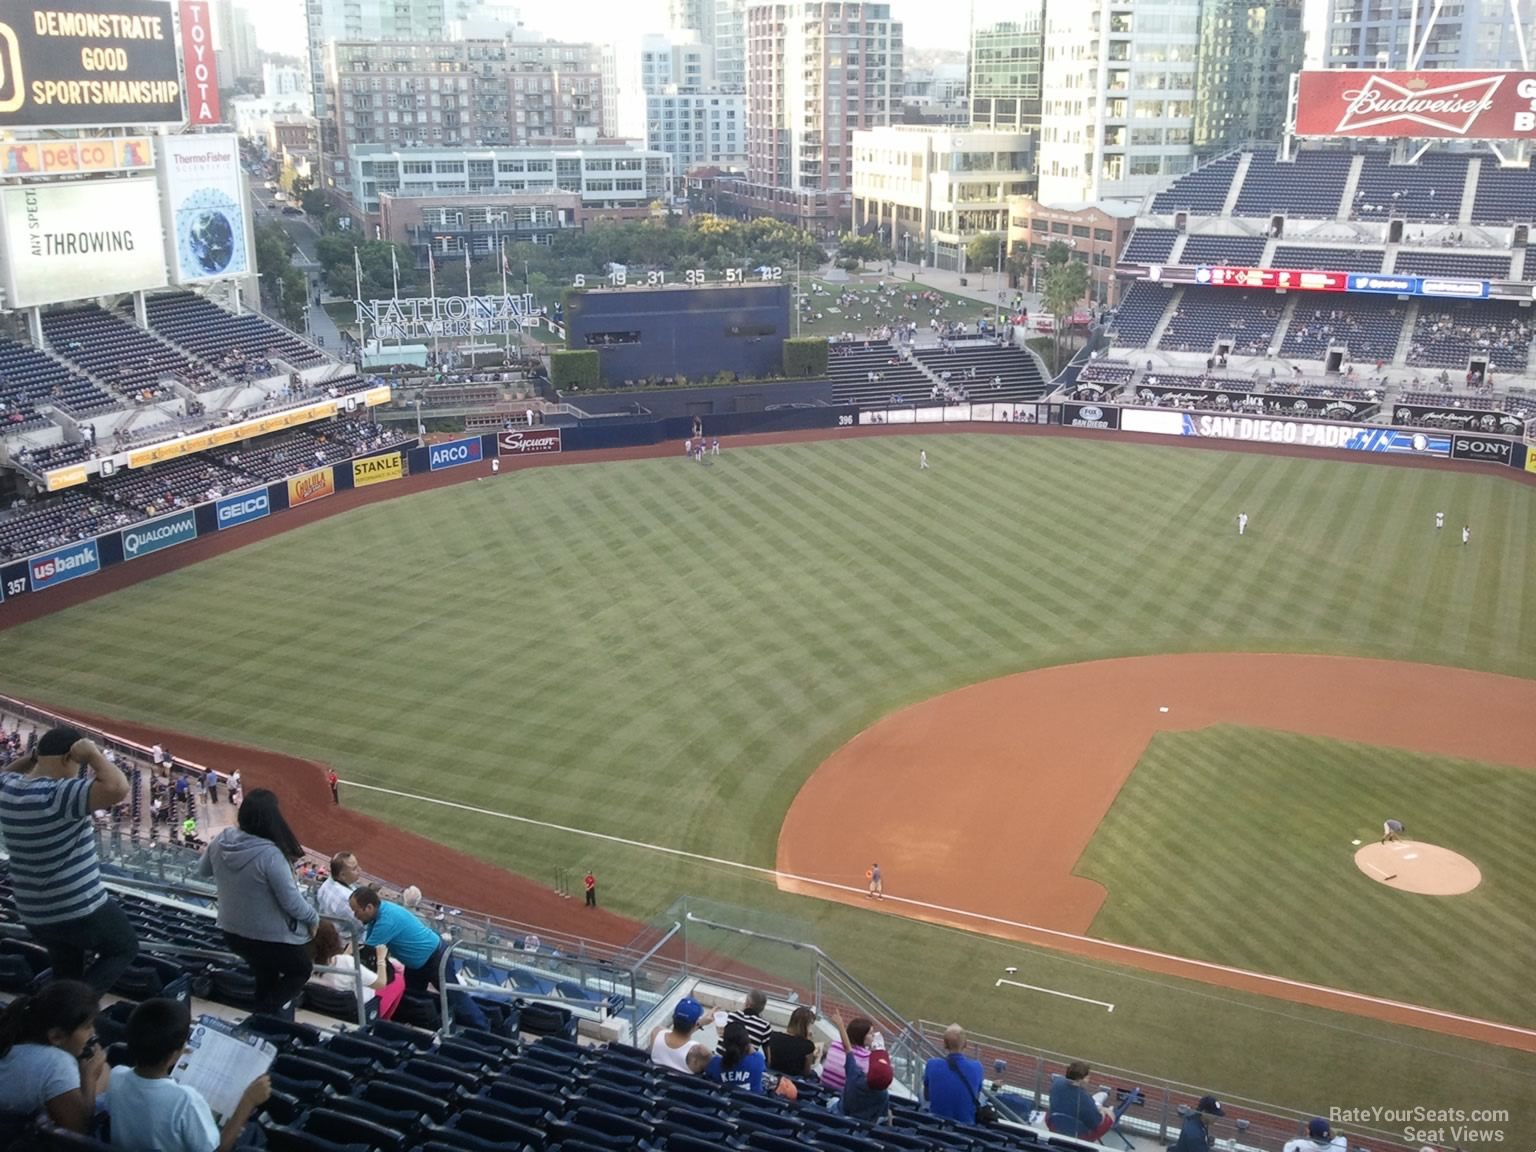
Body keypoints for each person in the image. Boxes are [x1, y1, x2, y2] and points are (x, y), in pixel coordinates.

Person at [0, 726, 137, 994]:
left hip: (33, 911)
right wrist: (94, 756)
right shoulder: (60, 794)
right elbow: (118, 787)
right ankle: (73, 1013)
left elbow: (6, 774)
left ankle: (58, 1017)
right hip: (77, 906)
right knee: (124, 948)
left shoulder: (7, 789)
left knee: (68, 971)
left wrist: (32, 759)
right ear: (67, 759)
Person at [195, 789, 319, 1015]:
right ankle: (262, 1017)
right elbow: (292, 903)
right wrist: (313, 917)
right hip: (267, 938)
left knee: (266, 972)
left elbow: (203, 870)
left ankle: (261, 1021)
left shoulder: (221, 839)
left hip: (232, 933)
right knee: (301, 969)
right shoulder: (271, 855)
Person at [107, 997, 270, 1152]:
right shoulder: (186, 1100)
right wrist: (248, 1102)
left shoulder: (116, 1076)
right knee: (252, 1132)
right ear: (173, 1054)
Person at [349, 886, 488, 1030]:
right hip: (418, 962)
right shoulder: (378, 915)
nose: (355, 916)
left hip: (435, 958)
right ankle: (421, 1025)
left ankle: (484, 1028)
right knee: (410, 996)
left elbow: (367, 952)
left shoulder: (386, 921)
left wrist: (346, 956)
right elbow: (367, 947)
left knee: (455, 997)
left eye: (356, 911)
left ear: (369, 907)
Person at [0, 980, 105, 1133]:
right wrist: (89, 1078)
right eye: (87, 1027)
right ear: (56, 1036)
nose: (92, 1033)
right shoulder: (56, 1063)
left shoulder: (11, 1041)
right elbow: (78, 1130)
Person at [309, 919, 405, 1020]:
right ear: (333, 939)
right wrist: (381, 960)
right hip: (353, 1013)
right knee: (398, 980)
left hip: (319, 1006)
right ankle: (384, 1021)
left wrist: (345, 954)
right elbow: (381, 983)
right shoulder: (347, 962)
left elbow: (332, 969)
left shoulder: (302, 962)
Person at [832, 1012, 891, 1122]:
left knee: (833, 1101)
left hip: (838, 1118)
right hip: (863, 1130)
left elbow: (847, 1048)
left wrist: (840, 1025)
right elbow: (882, 1118)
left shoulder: (854, 1076)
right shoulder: (884, 1095)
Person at [924, 1023, 985, 1124]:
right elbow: (976, 1097)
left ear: (944, 1044)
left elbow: (927, 1096)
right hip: (965, 1126)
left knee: (922, 1092)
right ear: (965, 1044)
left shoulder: (931, 1064)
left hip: (936, 1123)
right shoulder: (977, 1067)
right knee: (983, 1098)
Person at [1047, 1060, 1114, 1140]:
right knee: (1110, 1114)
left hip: (1055, 1124)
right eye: (1086, 1076)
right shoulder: (1084, 1099)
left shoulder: (1057, 1082)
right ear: (1079, 1079)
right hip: (1077, 1133)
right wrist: (1103, 1111)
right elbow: (1096, 1122)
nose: (1089, 1077)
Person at [648, 996, 710, 1073]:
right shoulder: (698, 1052)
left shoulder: (656, 1033)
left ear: (673, 1018)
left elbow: (676, 1034)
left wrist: (699, 1023)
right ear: (695, 1024)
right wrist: (700, 1023)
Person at [705, 1019, 766, 1092]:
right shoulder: (758, 1059)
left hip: (722, 1101)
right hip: (751, 1102)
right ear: (746, 1043)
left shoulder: (714, 1064)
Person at [819, 1015, 872, 1092]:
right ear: (862, 1035)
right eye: (870, 1033)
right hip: (842, 1097)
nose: (873, 1036)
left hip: (821, 1090)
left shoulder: (834, 1044)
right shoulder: (865, 1056)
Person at [765, 1006, 821, 1077]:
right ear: (806, 1026)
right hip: (794, 1081)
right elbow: (806, 1072)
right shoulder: (808, 1046)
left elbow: (770, 1063)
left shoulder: (773, 1036)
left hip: (774, 1076)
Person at [317, 851, 363, 936]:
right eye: (354, 869)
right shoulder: (347, 899)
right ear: (342, 875)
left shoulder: (327, 883)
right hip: (344, 943)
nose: (360, 870)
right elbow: (363, 924)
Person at [717, 989, 773, 1054]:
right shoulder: (765, 1026)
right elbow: (769, 1056)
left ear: (748, 1004)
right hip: (745, 1062)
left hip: (721, 1060)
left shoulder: (730, 1016)